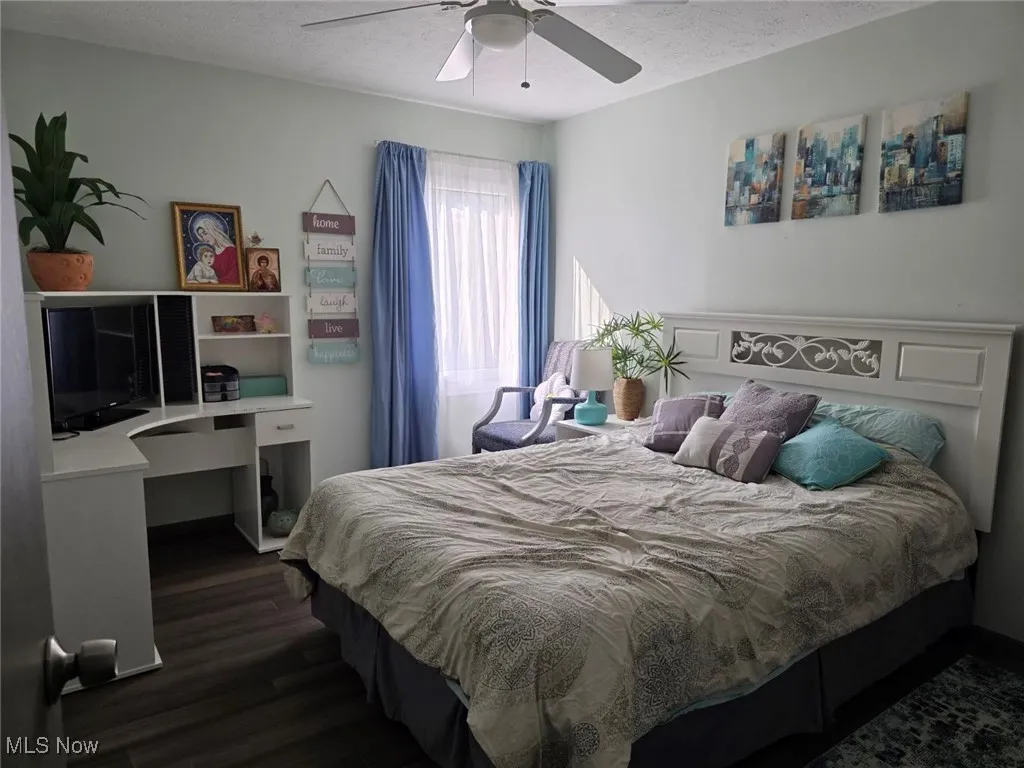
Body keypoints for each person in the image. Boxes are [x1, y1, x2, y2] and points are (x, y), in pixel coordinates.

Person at [191, 214, 239, 285]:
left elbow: (234, 276)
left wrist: (213, 282)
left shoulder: (231, 251)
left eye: (205, 233)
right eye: (201, 236)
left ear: (212, 231)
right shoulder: (209, 255)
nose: (204, 238)